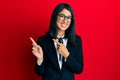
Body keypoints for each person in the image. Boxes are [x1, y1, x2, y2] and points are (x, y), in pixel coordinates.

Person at [30, 3, 84, 80]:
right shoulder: (43, 41)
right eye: (62, 16)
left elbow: (79, 69)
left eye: (69, 17)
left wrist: (67, 55)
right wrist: (40, 59)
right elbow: (39, 72)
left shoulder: (77, 40)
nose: (65, 21)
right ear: (55, 17)